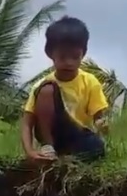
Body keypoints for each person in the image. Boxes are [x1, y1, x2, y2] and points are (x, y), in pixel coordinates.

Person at [21, 16, 110, 162]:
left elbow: (98, 117)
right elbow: (27, 122)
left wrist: (102, 124)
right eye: (63, 57)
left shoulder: (90, 82)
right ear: (50, 53)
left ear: (83, 53)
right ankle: (48, 148)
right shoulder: (42, 85)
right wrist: (30, 152)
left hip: (78, 136)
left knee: (97, 146)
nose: (69, 62)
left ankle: (68, 159)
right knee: (47, 90)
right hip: (54, 133)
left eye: (75, 57)